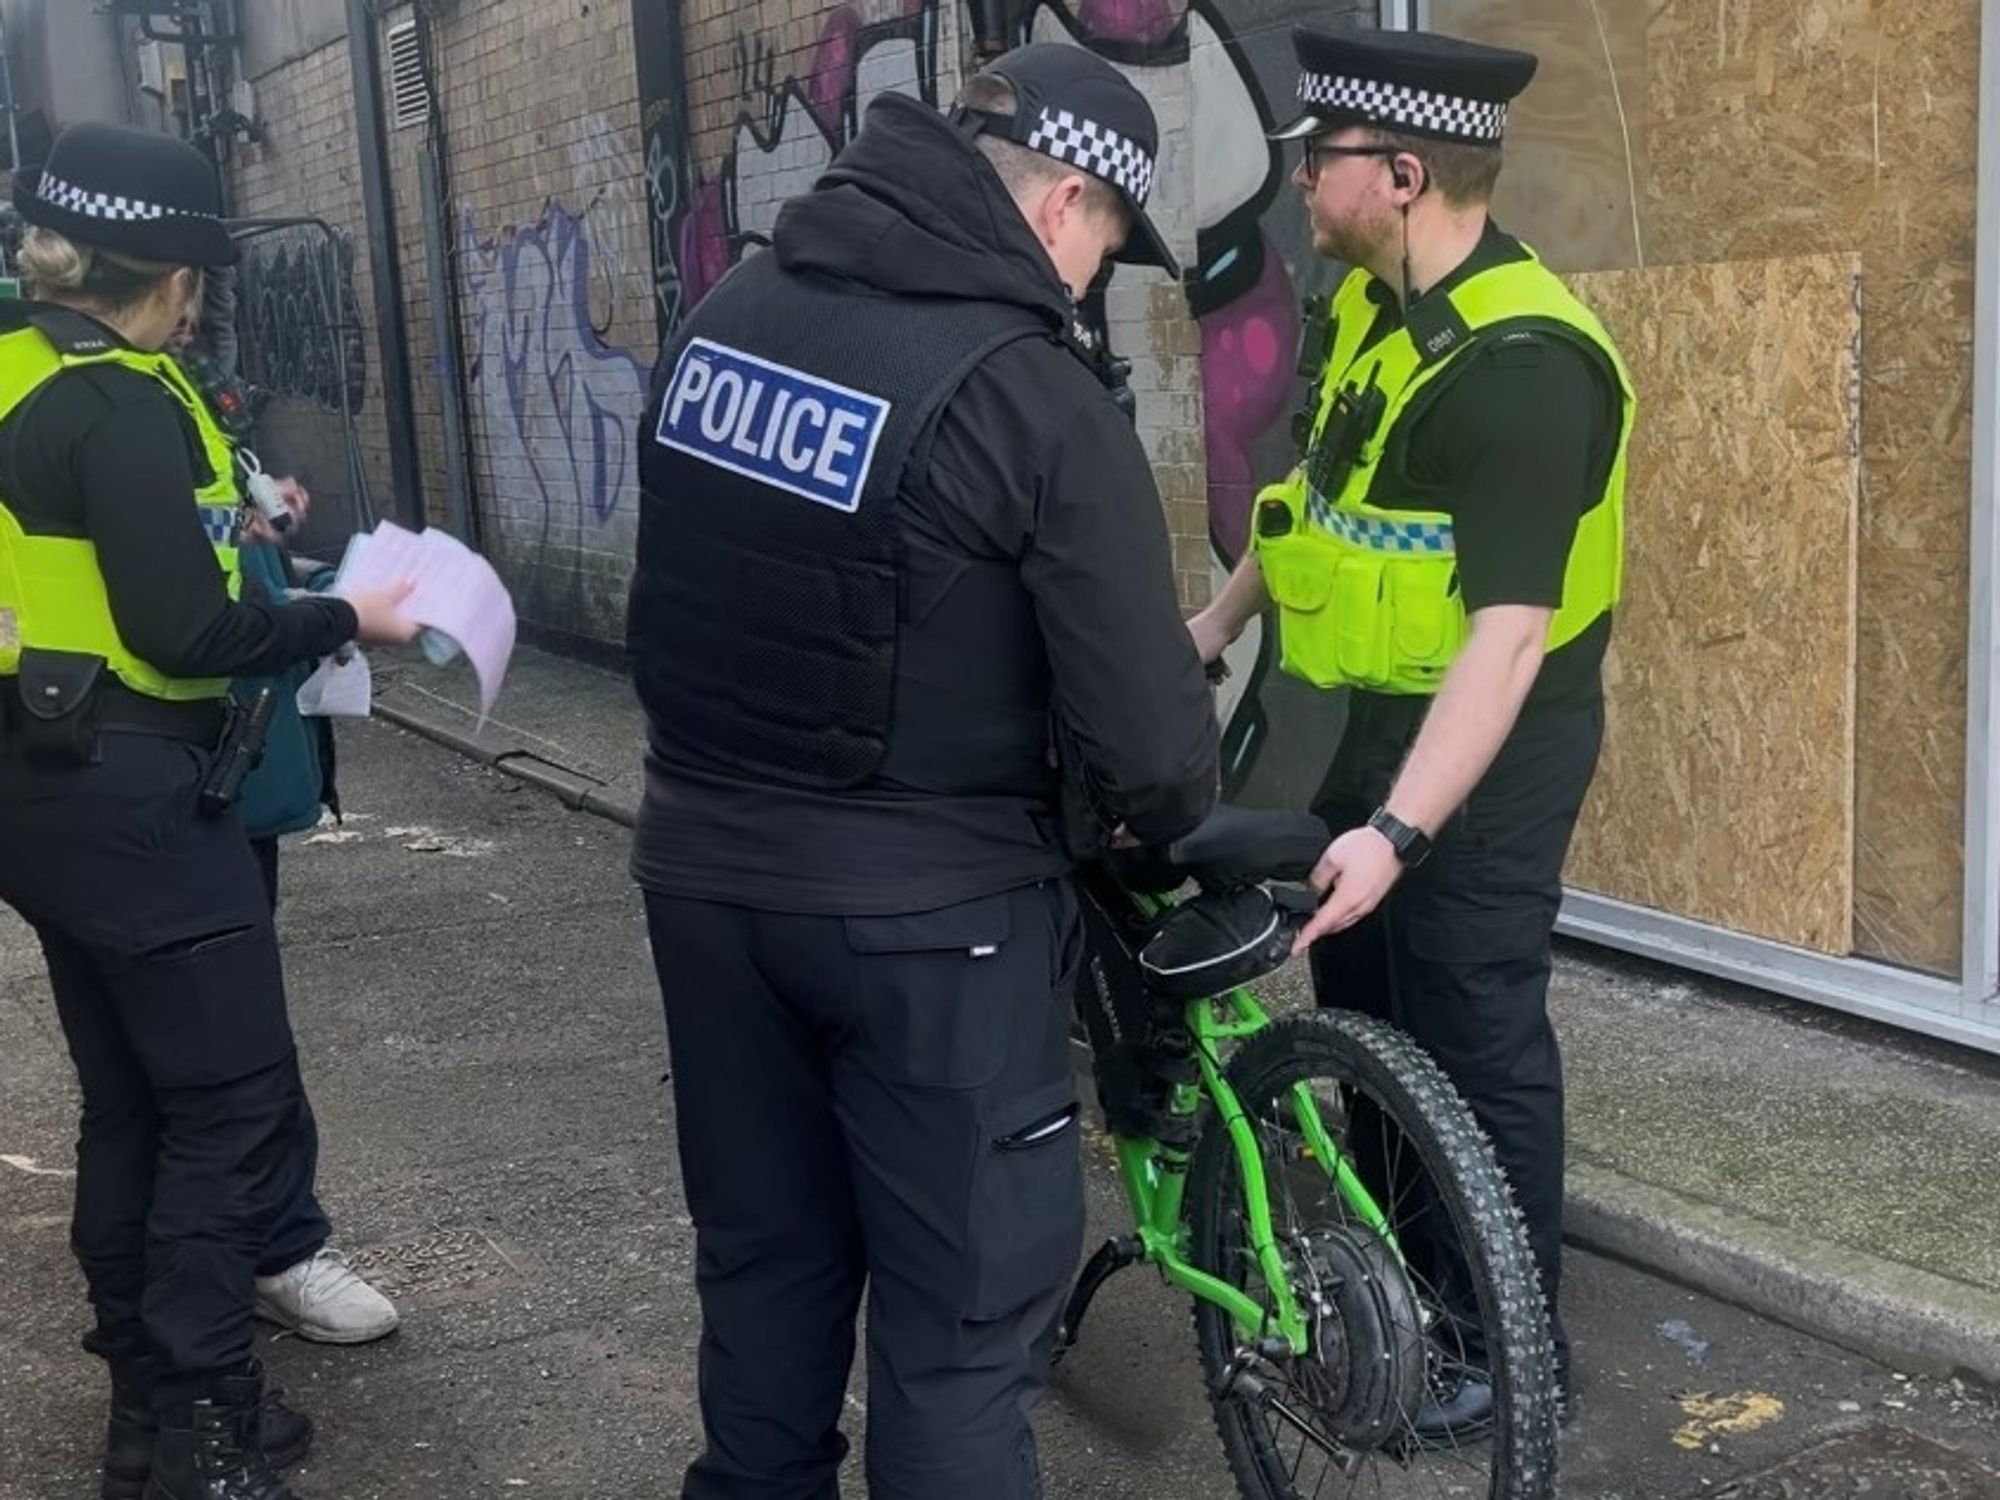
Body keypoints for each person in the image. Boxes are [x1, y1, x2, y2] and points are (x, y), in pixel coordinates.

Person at [626, 42, 1219, 1500]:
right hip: (932, 932)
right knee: (957, 1342)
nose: (1094, 282)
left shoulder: (724, 318)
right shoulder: (1034, 398)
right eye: (1105, 247)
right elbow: (1156, 757)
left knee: (766, 1274)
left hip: (704, 886)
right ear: (1065, 199)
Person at [1188, 24, 1635, 1431]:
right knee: (1370, 1010)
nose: (1295, 187)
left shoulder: (1523, 368)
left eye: (1314, 162)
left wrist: (1400, 829)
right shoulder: (1373, 305)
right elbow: (1318, 499)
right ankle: (1413, 1312)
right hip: (1371, 729)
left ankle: (1514, 1359)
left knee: (1474, 1024)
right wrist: (1214, 625)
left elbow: (1507, 638)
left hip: (1489, 757)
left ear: (1396, 172)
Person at [0, 122, 417, 1500]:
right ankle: (204, 1432)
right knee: (228, 1114)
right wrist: (348, 614)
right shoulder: (122, 397)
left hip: (39, 794)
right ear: (171, 275)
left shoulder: (13, 371)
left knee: (131, 1105)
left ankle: (141, 1400)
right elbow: (183, 629)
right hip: (140, 805)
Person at [165, 313, 403, 1348]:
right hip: (156, 763)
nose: (188, 309)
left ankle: (252, 1245)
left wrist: (252, 536)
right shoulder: (85, 388)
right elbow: (175, 612)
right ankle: (274, 1250)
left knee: (223, 1018)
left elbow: (177, 544)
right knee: (225, 1029)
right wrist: (339, 617)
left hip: (217, 765)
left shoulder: (162, 387)